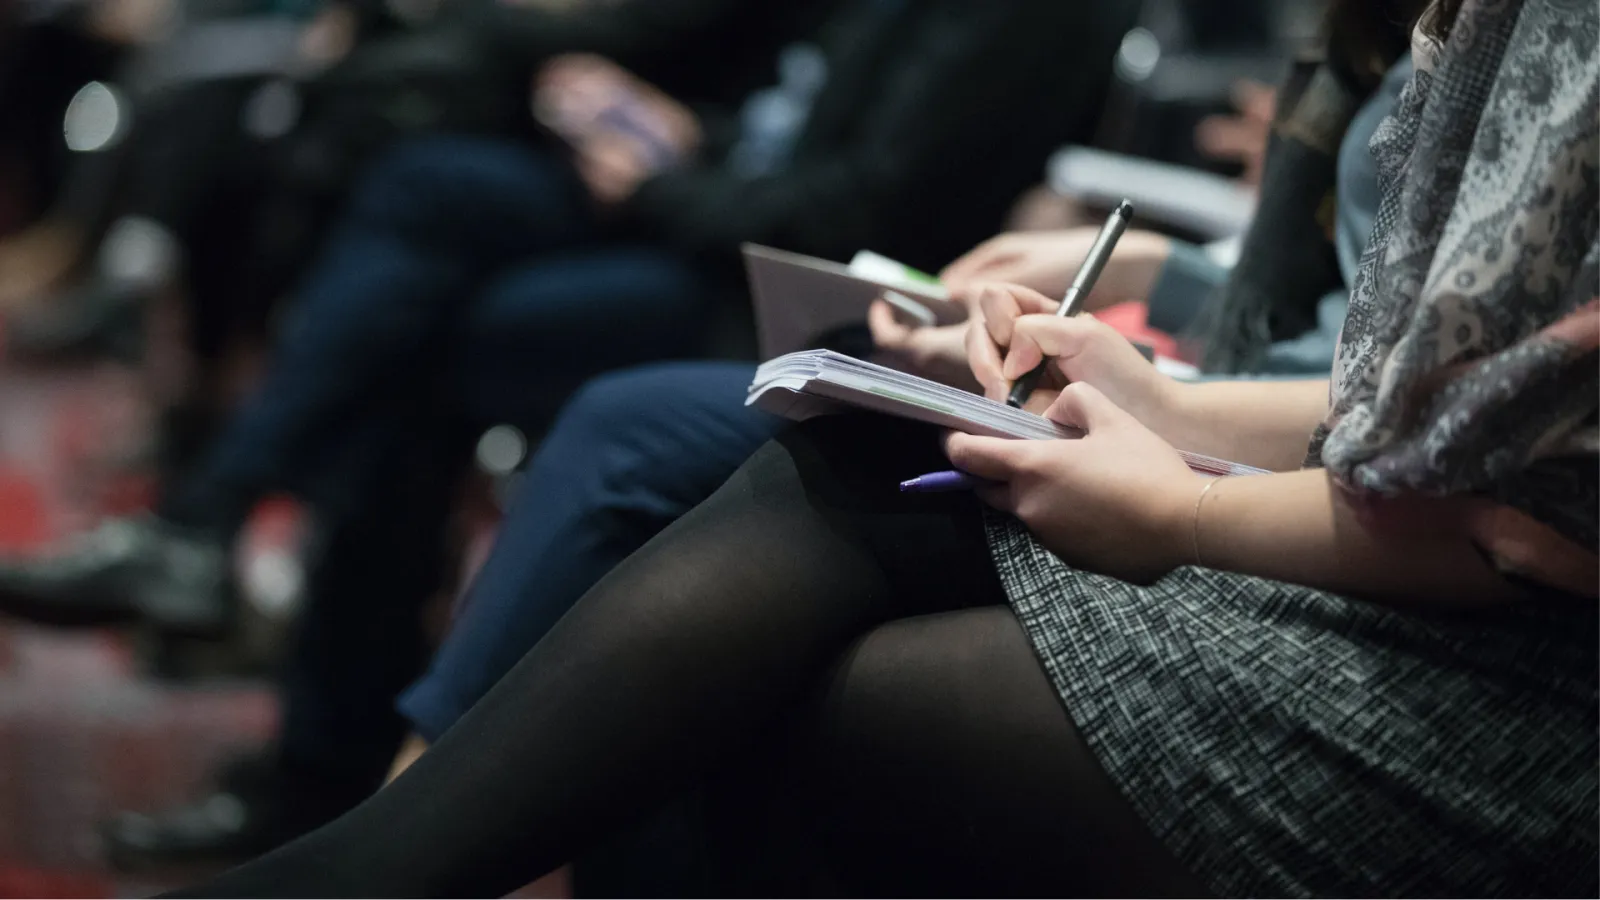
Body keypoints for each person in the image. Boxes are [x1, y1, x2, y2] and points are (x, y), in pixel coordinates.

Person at [166, 0, 1600, 894]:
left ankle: (359, 852)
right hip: (1371, 519)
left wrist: (1178, 500)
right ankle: (356, 841)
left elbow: (1521, 516)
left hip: (1513, 689)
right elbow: (1400, 406)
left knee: (771, 656)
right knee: (819, 452)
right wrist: (1156, 400)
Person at [0, 0, 1136, 867]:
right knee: (421, 189)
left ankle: (353, 786)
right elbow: (780, 117)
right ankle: (298, 693)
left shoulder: (1019, 17)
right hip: (711, 211)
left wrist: (658, 178)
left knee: (427, 342)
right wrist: (674, 135)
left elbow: (850, 213)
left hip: (799, 296)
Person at [390, 39, 1417, 762]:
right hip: (1224, 391)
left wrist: (1158, 390)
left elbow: (1387, 397)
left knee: (697, 460)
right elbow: (1316, 311)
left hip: (1254, 442)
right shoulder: (1380, 39)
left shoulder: (1464, 58)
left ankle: (397, 805)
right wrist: (1150, 273)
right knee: (643, 413)